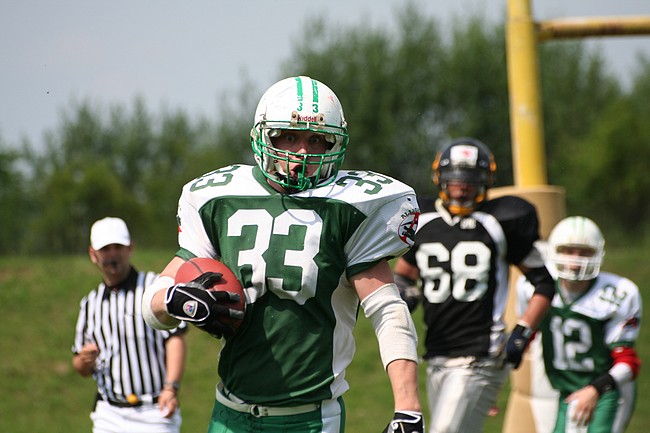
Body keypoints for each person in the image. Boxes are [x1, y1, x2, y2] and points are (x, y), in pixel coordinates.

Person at [141, 76, 424, 433]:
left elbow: (388, 310)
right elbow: (153, 303)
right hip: (229, 415)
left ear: (335, 144)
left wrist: (408, 408)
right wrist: (174, 300)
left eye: (316, 139)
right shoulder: (219, 199)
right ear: (264, 137)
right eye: (289, 137)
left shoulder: (348, 207)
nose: (302, 152)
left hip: (310, 419)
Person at [392, 137, 556, 433]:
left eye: (470, 179)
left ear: (485, 180)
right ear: (440, 178)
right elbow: (403, 275)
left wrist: (523, 330)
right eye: (455, 178)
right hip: (437, 351)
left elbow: (543, 283)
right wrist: (406, 292)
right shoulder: (423, 219)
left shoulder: (499, 221)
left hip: (481, 353)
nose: (462, 187)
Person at [515, 216, 642, 433]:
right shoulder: (534, 287)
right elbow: (523, 340)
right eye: (568, 251)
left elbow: (628, 362)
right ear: (554, 252)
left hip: (607, 390)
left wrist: (595, 389)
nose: (576, 261)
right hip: (567, 390)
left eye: (584, 253)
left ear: (598, 253)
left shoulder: (619, 293)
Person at [72, 217, 188, 433]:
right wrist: (84, 360)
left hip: (155, 409)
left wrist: (171, 388)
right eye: (105, 249)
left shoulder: (154, 288)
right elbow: (79, 364)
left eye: (118, 247)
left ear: (130, 248)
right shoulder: (90, 303)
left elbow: (175, 339)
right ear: (93, 254)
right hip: (109, 413)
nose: (112, 254)